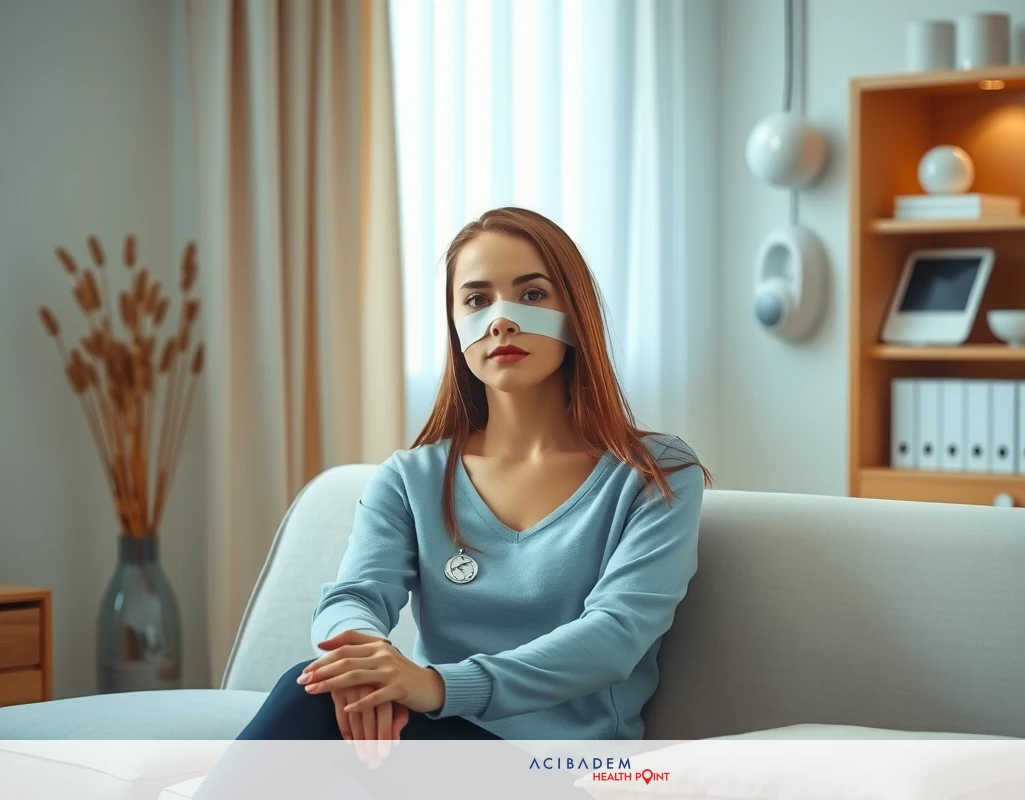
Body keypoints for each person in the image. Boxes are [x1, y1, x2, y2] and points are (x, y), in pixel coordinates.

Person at [193, 207, 712, 798]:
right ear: (454, 325)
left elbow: (615, 636)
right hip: (427, 753)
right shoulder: (410, 479)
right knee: (316, 685)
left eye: (532, 293)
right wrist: (365, 665)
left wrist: (435, 687)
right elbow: (353, 598)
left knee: (300, 692)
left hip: (567, 777)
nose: (500, 321)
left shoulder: (656, 474)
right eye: (476, 300)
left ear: (575, 314)